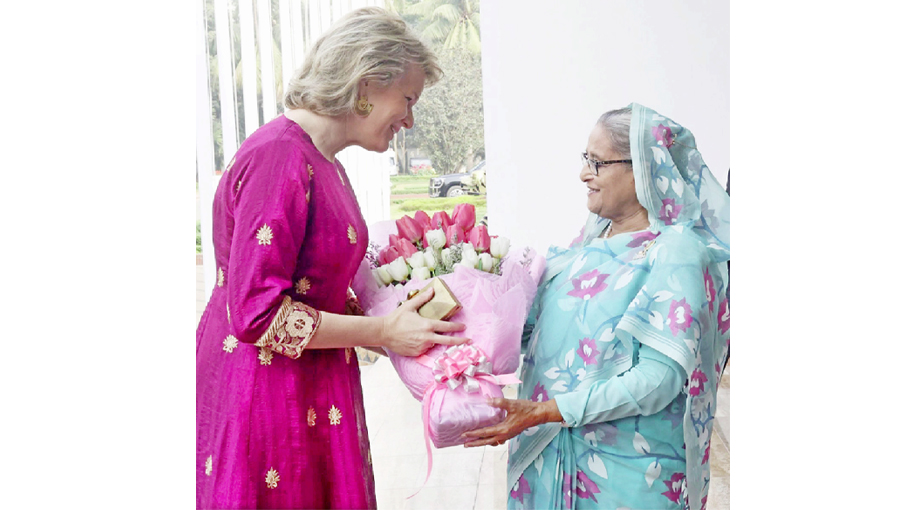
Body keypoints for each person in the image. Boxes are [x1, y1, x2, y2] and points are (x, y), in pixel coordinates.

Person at [196, 8, 468, 509]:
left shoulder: (323, 161)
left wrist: (408, 319)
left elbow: (319, 285)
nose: (410, 119)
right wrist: (382, 333)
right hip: (267, 393)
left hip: (309, 384)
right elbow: (256, 314)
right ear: (366, 83)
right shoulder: (279, 157)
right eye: (407, 99)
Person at [463, 104, 730, 510]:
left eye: (597, 162)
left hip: (628, 476)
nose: (584, 173)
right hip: (556, 457)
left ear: (643, 167)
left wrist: (548, 411)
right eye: (585, 160)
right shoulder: (584, 248)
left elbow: (659, 379)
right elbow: (534, 335)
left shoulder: (676, 252)